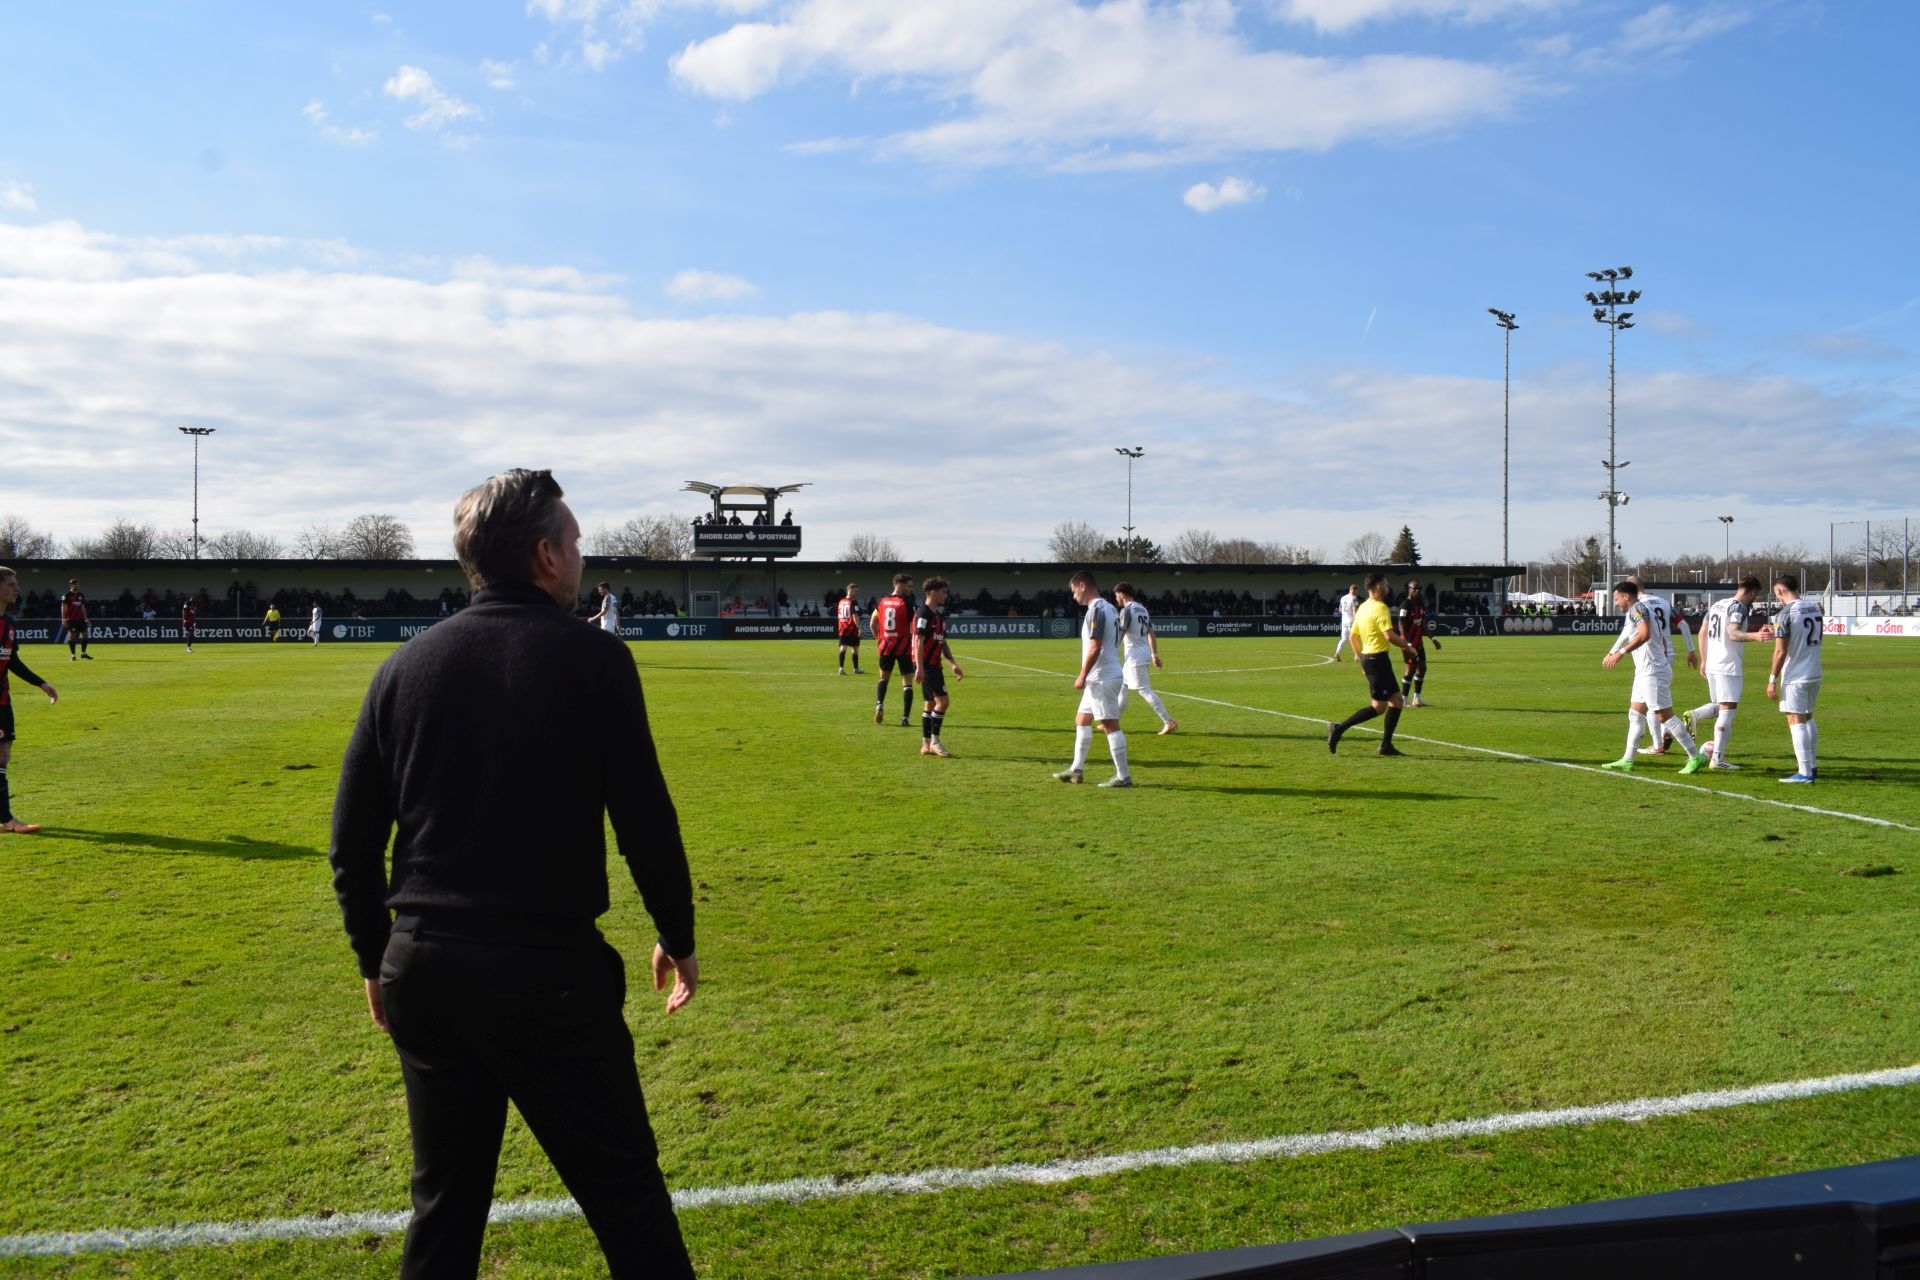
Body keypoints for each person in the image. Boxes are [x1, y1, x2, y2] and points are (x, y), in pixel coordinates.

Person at [329, 469, 698, 1279]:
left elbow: (350, 845)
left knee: (445, 1211)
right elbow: (644, 820)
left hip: (425, 967)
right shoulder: (595, 660)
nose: (579, 554)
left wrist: (373, 958)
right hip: (547, 978)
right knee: (627, 1198)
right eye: (573, 541)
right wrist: (678, 934)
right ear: (543, 556)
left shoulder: (403, 669)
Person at [1600, 580, 1708, 774]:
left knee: (1664, 716)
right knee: (1635, 714)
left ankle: (1695, 756)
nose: (1615, 603)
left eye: (1616, 598)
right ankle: (1627, 759)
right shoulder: (1640, 609)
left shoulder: (1638, 608)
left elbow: (1645, 634)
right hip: (1644, 671)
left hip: (1652, 671)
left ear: (1626, 596)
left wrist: (1620, 652)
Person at [1678, 577, 1767, 770]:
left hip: (1713, 665)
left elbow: (1702, 632)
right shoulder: (1739, 607)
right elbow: (1733, 633)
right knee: (1728, 711)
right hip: (1728, 665)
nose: (1755, 598)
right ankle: (1718, 759)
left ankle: (1695, 715)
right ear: (1751, 591)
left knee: (1720, 706)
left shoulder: (1718, 604)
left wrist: (1705, 660)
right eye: (1756, 595)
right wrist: (1756, 636)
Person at [1054, 570, 1132, 787]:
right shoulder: (1109, 608)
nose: (1073, 597)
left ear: (1082, 586)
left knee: (1109, 725)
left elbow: (1095, 646)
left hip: (1102, 677)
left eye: (1073, 591)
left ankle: (1123, 777)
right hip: (1103, 675)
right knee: (1082, 720)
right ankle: (1076, 770)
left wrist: (1082, 674)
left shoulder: (1097, 609)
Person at [1327, 573, 1411, 757]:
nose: (1388, 588)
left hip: (1371, 659)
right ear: (1379, 586)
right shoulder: (1381, 608)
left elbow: (1352, 636)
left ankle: (1386, 745)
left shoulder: (1363, 607)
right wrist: (1407, 647)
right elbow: (1389, 636)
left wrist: (1360, 657)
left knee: (1395, 701)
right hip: (1377, 659)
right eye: (1386, 584)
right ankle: (1338, 729)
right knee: (1379, 707)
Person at [0, 568, 58, 834]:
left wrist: (41, 683)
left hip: (3, 699)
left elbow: (12, 660)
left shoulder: (9, 623)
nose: (17, 588)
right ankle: (6, 820)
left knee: (3, 755)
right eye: (11, 584)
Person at [1767, 574, 1824, 783]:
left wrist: (1772, 678)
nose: (1777, 598)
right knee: (1808, 716)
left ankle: (1804, 772)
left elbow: (1780, 652)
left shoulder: (1785, 613)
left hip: (1796, 675)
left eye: (1776, 594)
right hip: (1814, 671)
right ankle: (1812, 765)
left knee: (1794, 719)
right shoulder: (1814, 608)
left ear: (1781, 590)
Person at [1113, 581, 1176, 735]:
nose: (1116, 599)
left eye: (1116, 595)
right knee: (1123, 687)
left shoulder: (1126, 611)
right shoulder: (1142, 609)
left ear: (1121, 593)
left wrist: (1111, 648)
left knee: (1144, 690)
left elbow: (1122, 632)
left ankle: (1169, 721)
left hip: (1134, 655)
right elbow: (1151, 633)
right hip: (1140, 653)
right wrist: (1154, 654)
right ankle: (1113, 722)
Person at [912, 576, 964, 757]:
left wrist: (953, 663)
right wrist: (919, 667)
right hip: (927, 666)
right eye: (943, 592)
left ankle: (926, 745)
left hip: (935, 665)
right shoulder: (923, 614)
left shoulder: (939, 617)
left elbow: (943, 643)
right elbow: (919, 640)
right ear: (932, 592)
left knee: (930, 704)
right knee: (943, 702)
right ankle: (935, 742)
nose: (946, 595)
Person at [871, 574, 916, 726]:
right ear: (900, 585)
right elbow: (915, 626)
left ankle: (879, 704)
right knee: (907, 683)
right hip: (903, 647)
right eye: (909, 586)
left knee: (883, 678)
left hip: (885, 646)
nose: (911, 589)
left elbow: (872, 623)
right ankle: (905, 718)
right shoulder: (907, 603)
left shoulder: (882, 602)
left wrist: (879, 639)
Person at [1396, 579, 1441, 707]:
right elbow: (1401, 624)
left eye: (1419, 589)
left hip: (1419, 643)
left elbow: (1423, 623)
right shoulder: (1405, 605)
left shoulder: (1420, 604)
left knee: (1422, 668)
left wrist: (1433, 639)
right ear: (1409, 589)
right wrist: (1406, 643)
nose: (1417, 591)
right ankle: (1403, 700)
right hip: (1409, 644)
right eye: (1414, 588)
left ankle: (1417, 699)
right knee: (1410, 670)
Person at [834, 583, 865, 676]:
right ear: (850, 590)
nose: (857, 593)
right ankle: (855, 669)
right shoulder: (853, 602)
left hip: (843, 628)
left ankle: (841, 668)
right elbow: (855, 616)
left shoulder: (841, 601)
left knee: (843, 648)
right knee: (855, 649)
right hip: (852, 628)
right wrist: (860, 628)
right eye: (856, 591)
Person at [60, 578, 91, 661]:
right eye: (74, 584)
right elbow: (63, 607)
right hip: (71, 619)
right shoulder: (66, 595)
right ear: (71, 585)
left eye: (77, 584)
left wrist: (86, 618)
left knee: (85, 634)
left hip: (80, 619)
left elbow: (82, 607)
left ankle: (83, 653)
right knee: (73, 636)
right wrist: (63, 619)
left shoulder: (81, 595)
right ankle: (73, 655)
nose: (76, 585)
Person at [1333, 583, 1359, 662]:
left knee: (1344, 638)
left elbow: (1340, 610)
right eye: (1356, 591)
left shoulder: (1343, 598)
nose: (1356, 593)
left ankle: (1337, 653)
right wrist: (1357, 619)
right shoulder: (1354, 598)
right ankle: (1357, 656)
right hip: (1352, 620)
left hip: (1344, 620)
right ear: (1353, 590)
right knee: (1356, 638)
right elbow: (1355, 610)